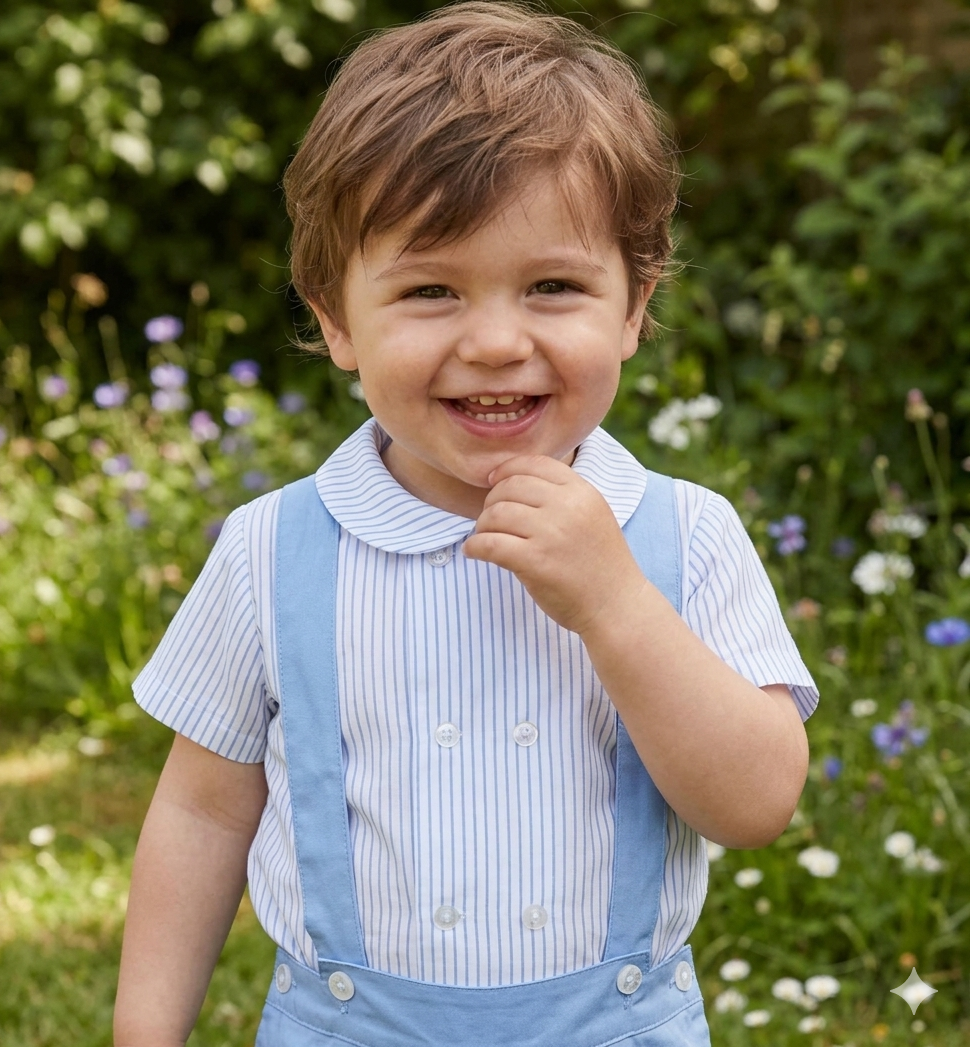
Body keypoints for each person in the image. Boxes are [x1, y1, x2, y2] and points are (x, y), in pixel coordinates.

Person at [113, 2, 818, 1044]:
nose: (495, 341)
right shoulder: (274, 551)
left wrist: (617, 606)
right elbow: (203, 813)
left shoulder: (684, 537)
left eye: (553, 286)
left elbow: (757, 804)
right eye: (433, 289)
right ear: (337, 318)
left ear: (633, 305)